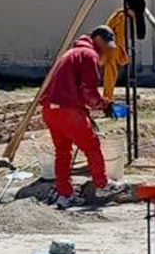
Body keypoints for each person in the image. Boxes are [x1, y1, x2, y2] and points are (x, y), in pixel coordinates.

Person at [42, 26, 126, 209]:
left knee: (62, 152)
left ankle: (65, 194)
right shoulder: (89, 55)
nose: (106, 50)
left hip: (50, 109)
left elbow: (75, 89)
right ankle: (102, 185)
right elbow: (88, 91)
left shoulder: (71, 53)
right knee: (92, 145)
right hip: (67, 111)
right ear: (96, 39)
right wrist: (105, 104)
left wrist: (97, 105)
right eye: (106, 44)